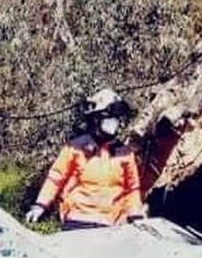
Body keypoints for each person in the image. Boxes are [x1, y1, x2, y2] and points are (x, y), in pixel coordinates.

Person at [25, 88, 144, 230]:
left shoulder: (124, 153)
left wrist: (135, 216)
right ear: (97, 118)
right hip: (77, 221)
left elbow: (132, 189)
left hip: (111, 226)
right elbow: (56, 177)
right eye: (111, 118)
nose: (115, 124)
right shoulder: (75, 148)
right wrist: (41, 205)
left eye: (117, 119)